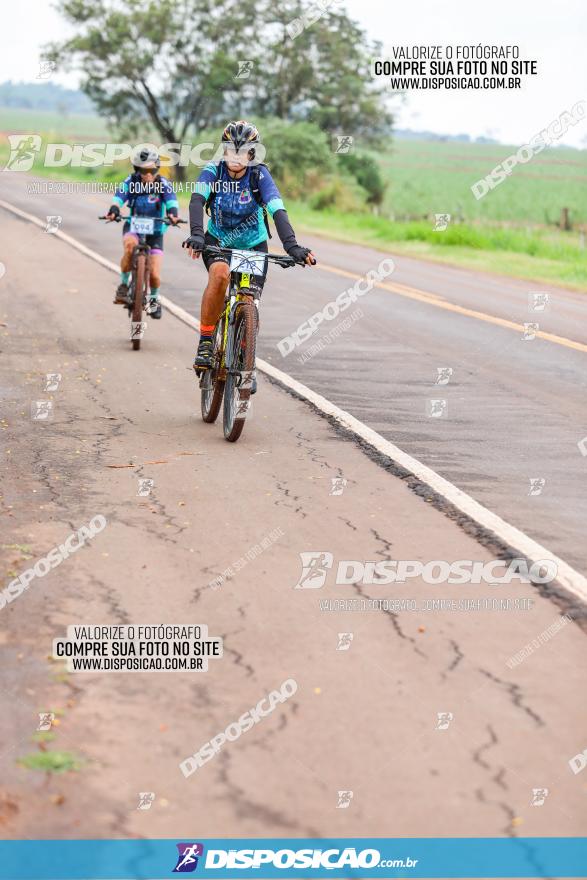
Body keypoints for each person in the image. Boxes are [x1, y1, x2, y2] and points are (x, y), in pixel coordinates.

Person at [182, 120, 316, 372]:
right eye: (231, 150)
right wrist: (197, 234)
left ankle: (246, 358)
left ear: (252, 153)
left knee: (248, 299)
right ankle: (206, 341)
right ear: (224, 151)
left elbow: (277, 208)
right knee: (220, 275)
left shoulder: (259, 174)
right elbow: (197, 200)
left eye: (242, 151)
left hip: (253, 244)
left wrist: (292, 246)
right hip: (218, 240)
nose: (236, 156)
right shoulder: (213, 170)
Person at [106, 148, 180, 319]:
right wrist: (114, 209)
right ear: (137, 170)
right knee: (129, 247)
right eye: (144, 171)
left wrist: (173, 214)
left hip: (155, 232)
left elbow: (171, 200)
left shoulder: (163, 184)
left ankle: (154, 300)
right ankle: (124, 285)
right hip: (133, 226)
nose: (148, 175)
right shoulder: (131, 181)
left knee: (154, 273)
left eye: (152, 170)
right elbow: (119, 196)